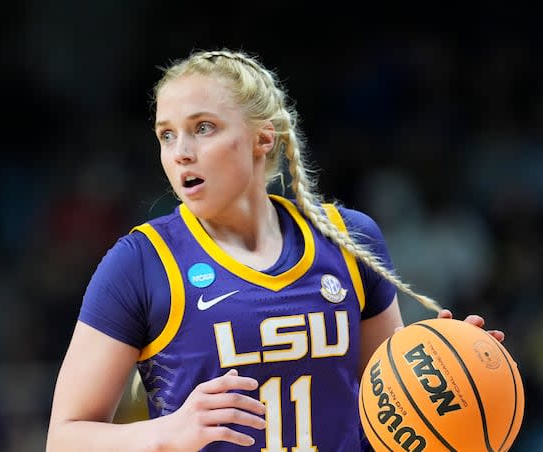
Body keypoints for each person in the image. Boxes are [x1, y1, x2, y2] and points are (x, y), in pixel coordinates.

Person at [46, 48, 504, 451]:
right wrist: (166, 432)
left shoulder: (349, 239)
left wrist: (448, 375)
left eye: (202, 127)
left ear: (262, 139)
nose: (180, 152)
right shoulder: (141, 261)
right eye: (167, 135)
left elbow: (391, 407)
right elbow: (65, 438)